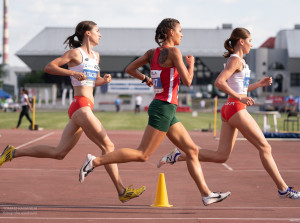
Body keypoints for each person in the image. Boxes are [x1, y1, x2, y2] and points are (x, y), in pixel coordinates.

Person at [79, 18, 231, 206]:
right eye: (180, 31)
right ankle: (94, 162)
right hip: (164, 108)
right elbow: (189, 81)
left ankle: (206, 194)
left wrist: (145, 79)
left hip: (165, 107)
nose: (182, 34)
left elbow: (130, 69)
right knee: (142, 154)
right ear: (170, 33)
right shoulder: (175, 52)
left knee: (191, 150)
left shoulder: (152, 53)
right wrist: (191, 64)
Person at [0, 20, 145, 203]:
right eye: (97, 31)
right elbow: (50, 67)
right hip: (80, 106)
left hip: (84, 107)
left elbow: (93, 81)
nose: (100, 34)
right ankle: (122, 191)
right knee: (108, 146)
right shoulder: (76, 53)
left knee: (59, 153)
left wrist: (104, 80)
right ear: (87, 34)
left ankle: (12, 153)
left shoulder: (96, 56)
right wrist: (71, 73)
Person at [157, 27, 300, 200]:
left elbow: (238, 87)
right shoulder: (236, 60)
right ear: (241, 41)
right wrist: (240, 97)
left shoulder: (239, 61)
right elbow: (219, 82)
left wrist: (258, 85)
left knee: (221, 156)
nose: (251, 44)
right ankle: (283, 189)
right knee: (265, 147)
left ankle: (179, 155)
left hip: (230, 109)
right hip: (236, 108)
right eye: (250, 41)